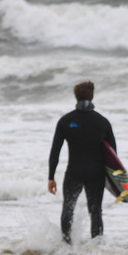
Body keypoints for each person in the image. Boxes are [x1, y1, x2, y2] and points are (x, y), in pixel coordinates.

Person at [48, 81, 116, 244]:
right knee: (95, 212)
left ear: (75, 96)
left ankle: (66, 248)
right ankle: (97, 249)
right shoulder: (103, 122)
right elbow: (113, 155)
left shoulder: (65, 121)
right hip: (96, 173)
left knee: (68, 209)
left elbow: (55, 151)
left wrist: (51, 177)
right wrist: (115, 181)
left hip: (74, 172)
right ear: (92, 96)